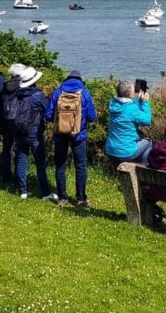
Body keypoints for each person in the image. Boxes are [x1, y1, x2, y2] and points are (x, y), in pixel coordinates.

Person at [45, 69, 96, 207]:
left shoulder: (58, 92)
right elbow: (92, 116)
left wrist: (60, 121)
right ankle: (80, 198)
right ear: (80, 79)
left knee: (60, 166)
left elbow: (48, 115)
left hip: (60, 134)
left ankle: (62, 197)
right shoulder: (84, 92)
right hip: (79, 135)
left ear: (67, 78)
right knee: (80, 166)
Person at [10, 66, 55, 201]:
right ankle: (45, 192)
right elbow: (49, 112)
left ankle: (23, 191)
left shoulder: (17, 94)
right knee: (40, 162)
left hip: (18, 131)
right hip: (34, 133)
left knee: (21, 159)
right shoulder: (37, 95)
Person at [105, 79, 153, 166]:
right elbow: (147, 121)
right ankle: (142, 170)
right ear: (129, 93)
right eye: (133, 90)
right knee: (148, 142)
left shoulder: (113, 105)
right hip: (125, 153)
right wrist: (145, 102)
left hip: (110, 150)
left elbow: (127, 106)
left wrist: (139, 100)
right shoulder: (131, 109)